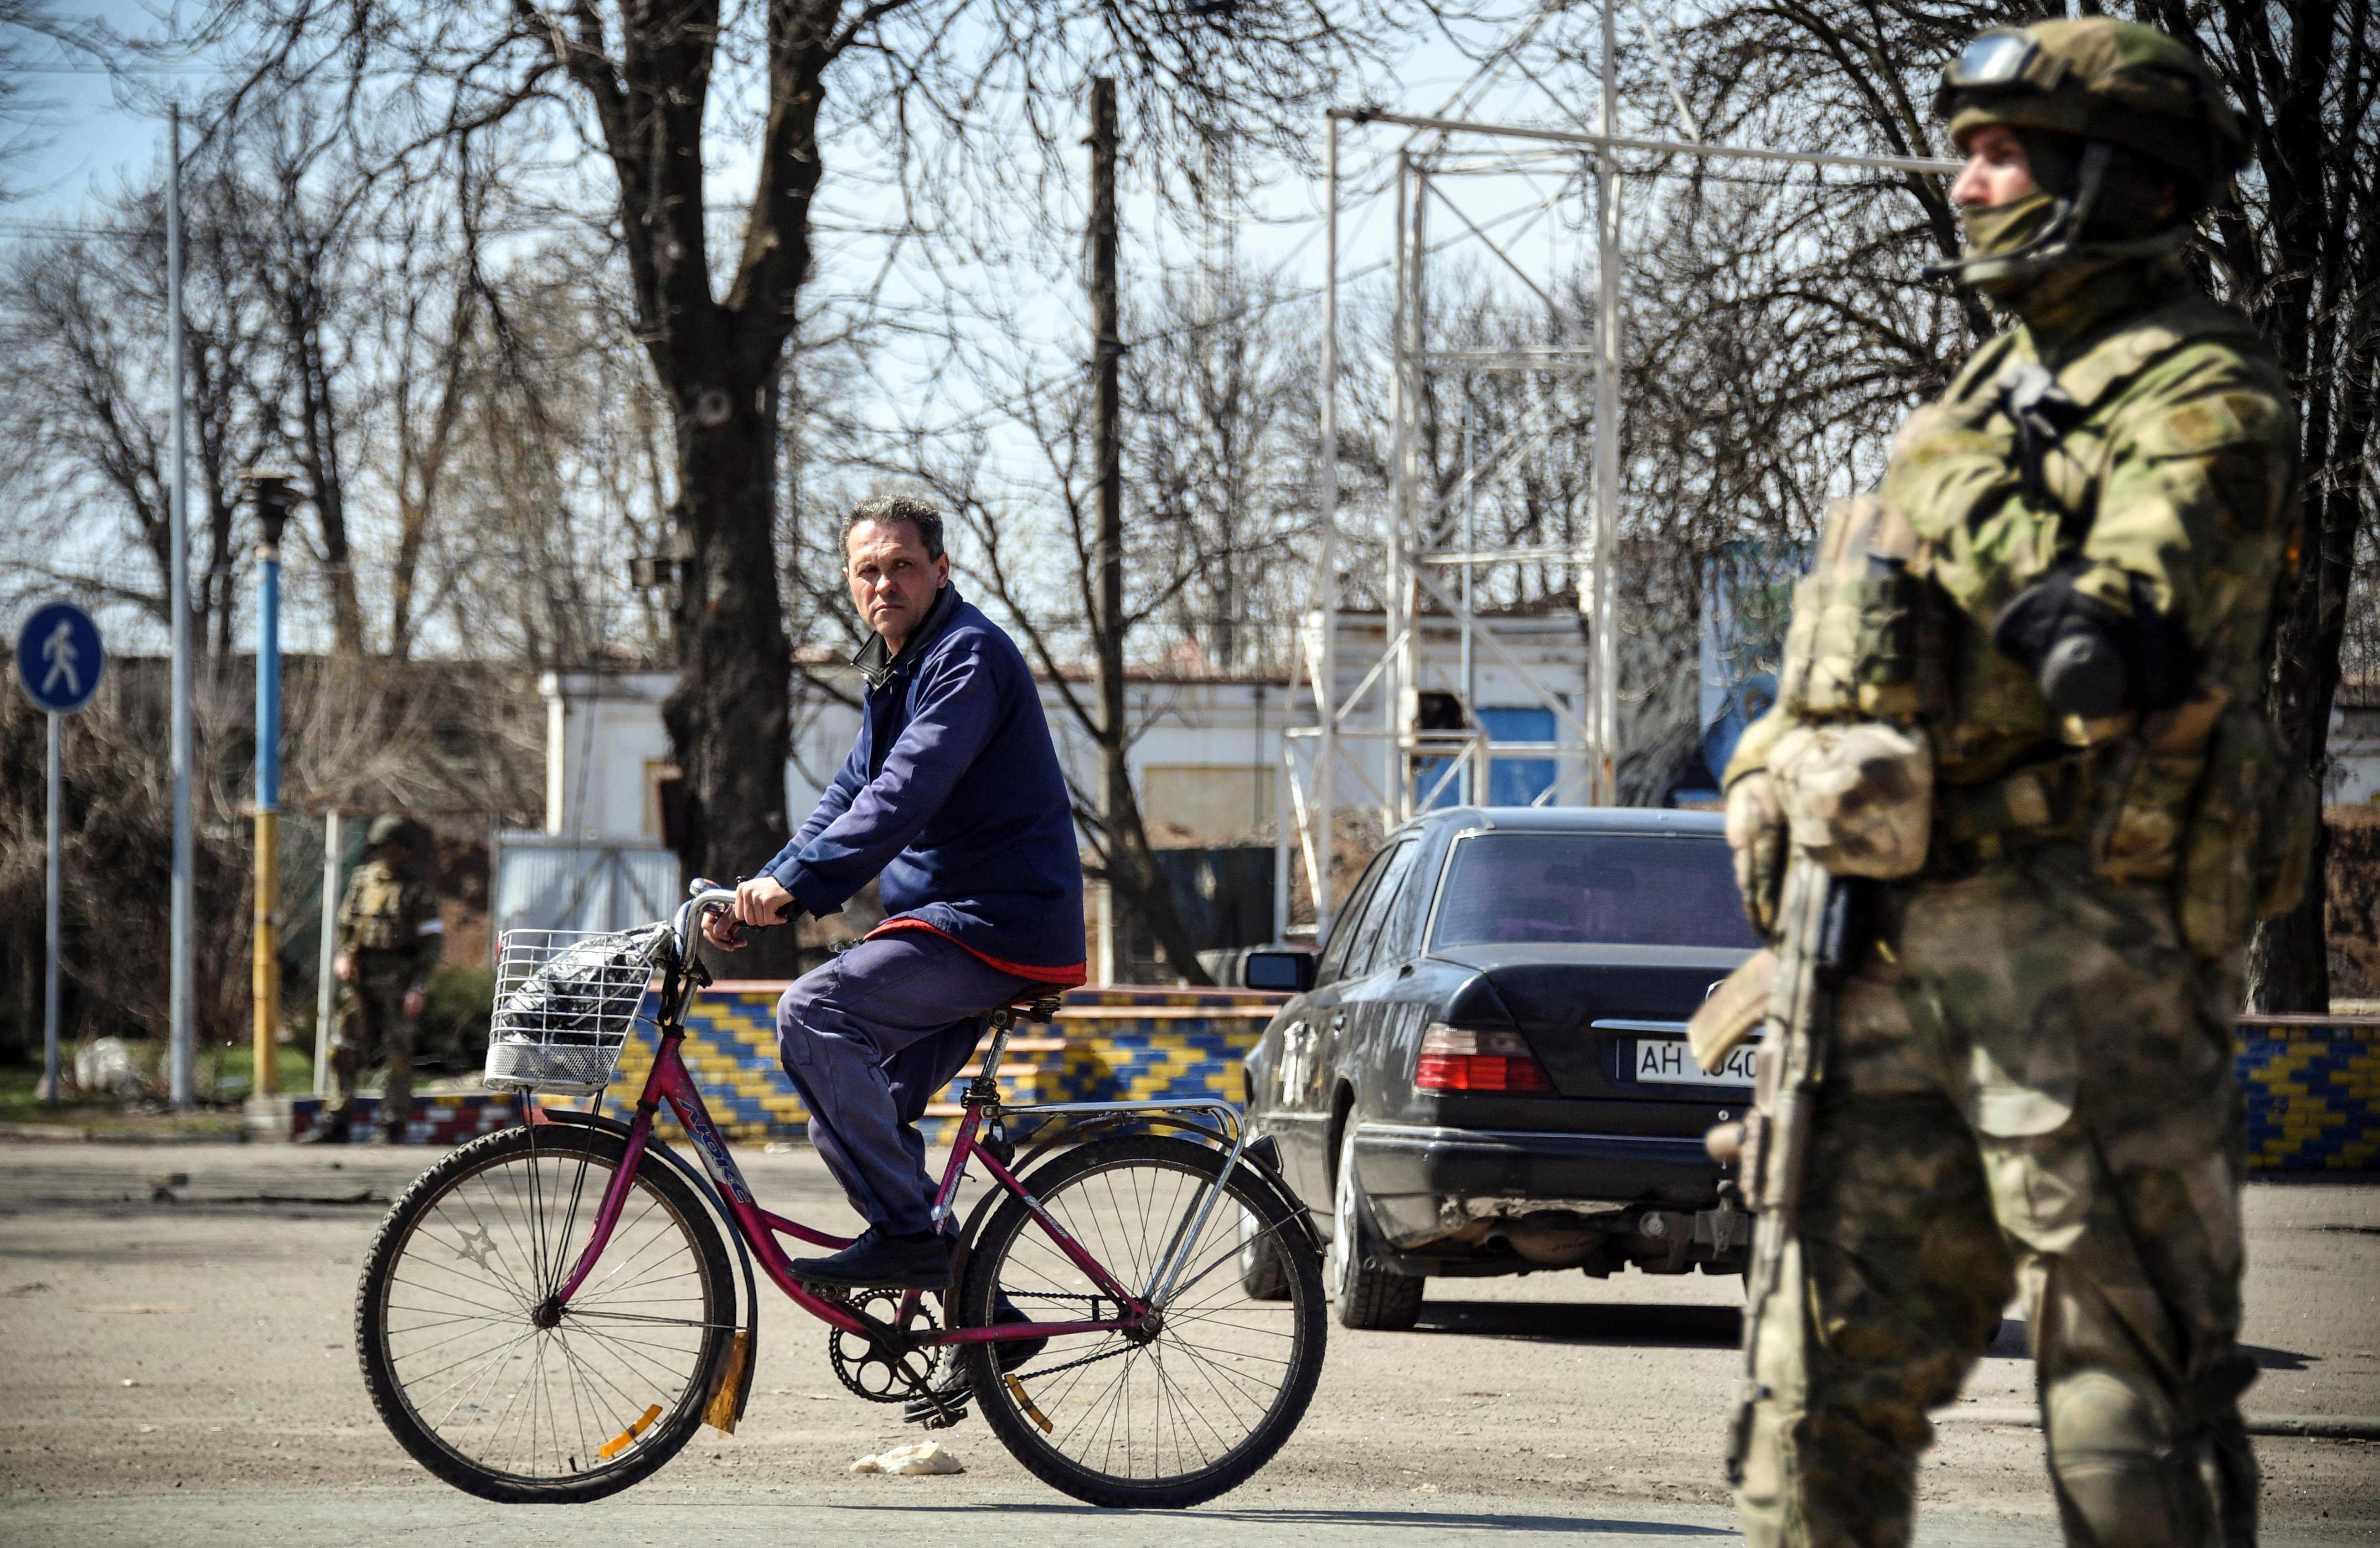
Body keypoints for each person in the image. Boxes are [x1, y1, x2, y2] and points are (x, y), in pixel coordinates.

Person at [1719, 20, 2302, 1548]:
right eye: (1969, 148)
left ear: (2120, 179)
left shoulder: (2200, 392)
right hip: (1875, 959)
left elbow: (2130, 628)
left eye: (2003, 152)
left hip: (2079, 958)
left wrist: (2014, 548)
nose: (1968, 182)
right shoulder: (1980, 393)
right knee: (1809, 1394)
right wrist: (1768, 775)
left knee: (2124, 1409)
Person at [704, 494, 1086, 1291]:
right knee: (847, 1105)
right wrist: (763, 886)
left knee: (813, 1014)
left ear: (940, 571)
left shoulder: (966, 656)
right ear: (849, 581)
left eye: (903, 566)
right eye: (868, 570)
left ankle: (913, 1241)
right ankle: (978, 1306)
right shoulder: (897, 664)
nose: (886, 584)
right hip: (950, 924)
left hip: (997, 922)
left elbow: (904, 793)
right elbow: (850, 792)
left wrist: (798, 888)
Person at [303, 814, 444, 1145]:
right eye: (383, 848)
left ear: (406, 850)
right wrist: (343, 956)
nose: (388, 855)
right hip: (361, 978)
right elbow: (346, 925)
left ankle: (392, 1123)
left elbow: (431, 943)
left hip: (398, 979)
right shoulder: (363, 881)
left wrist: (419, 987)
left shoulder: (418, 889)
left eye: (394, 848)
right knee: (343, 1047)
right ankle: (338, 1119)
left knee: (398, 1053)